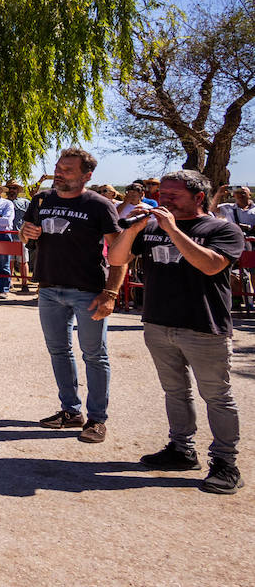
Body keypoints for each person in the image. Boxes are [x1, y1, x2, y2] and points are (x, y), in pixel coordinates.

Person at [107, 170, 245, 494]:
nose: (164, 200)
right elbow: (116, 257)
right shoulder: (152, 227)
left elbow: (211, 265)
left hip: (204, 327)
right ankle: (181, 449)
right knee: (175, 392)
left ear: (199, 198)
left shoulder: (222, 229)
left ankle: (226, 463)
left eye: (173, 195)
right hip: (158, 322)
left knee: (217, 397)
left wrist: (171, 229)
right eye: (163, 194)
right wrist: (135, 229)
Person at [20, 148, 123, 443]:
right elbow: (24, 235)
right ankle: (70, 411)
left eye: (67, 169)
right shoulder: (41, 199)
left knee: (94, 354)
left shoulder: (99, 205)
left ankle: (97, 418)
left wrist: (111, 292)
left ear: (86, 175)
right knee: (59, 351)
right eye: (58, 167)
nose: (59, 173)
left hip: (87, 291)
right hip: (49, 289)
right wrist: (26, 232)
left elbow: (119, 253)